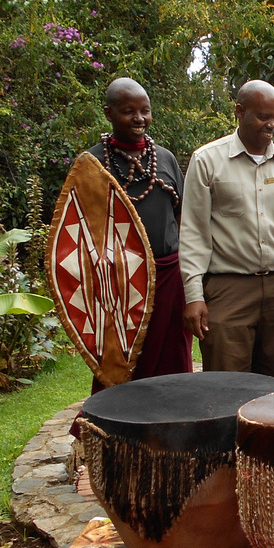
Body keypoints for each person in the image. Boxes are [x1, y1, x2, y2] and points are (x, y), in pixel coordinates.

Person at [179, 79, 274, 385]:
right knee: (225, 387)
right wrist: (193, 296)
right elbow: (193, 234)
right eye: (263, 116)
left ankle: (270, 436)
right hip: (228, 289)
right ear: (239, 112)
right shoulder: (207, 161)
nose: (272, 125)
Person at [87, 78, 192, 385]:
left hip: (169, 277)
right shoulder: (92, 163)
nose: (139, 118)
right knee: (121, 358)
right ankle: (119, 426)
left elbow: (182, 216)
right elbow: (81, 228)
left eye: (144, 111)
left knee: (172, 355)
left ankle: (172, 420)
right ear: (108, 113)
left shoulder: (166, 158)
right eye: (128, 111)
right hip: (119, 282)